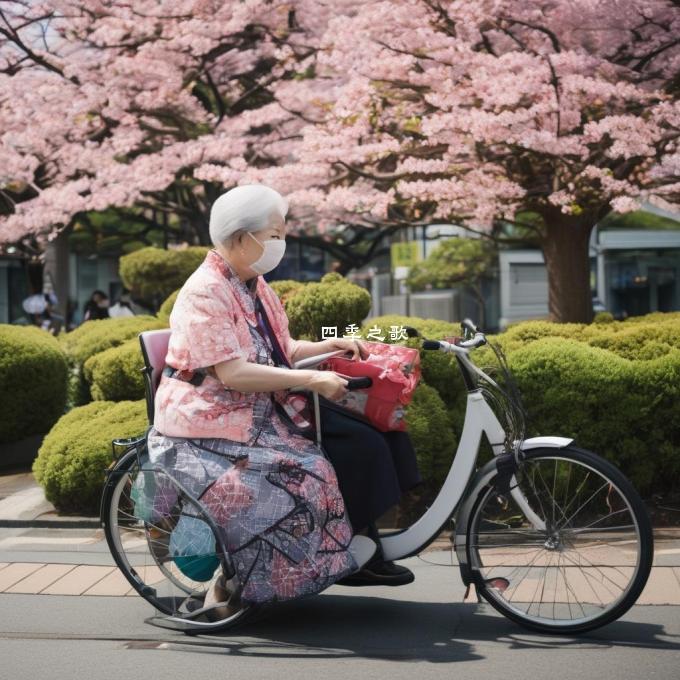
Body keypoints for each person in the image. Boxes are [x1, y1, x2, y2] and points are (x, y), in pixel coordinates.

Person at [148, 184, 419, 617]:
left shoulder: (252, 284)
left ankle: (353, 548)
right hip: (213, 413)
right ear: (241, 238)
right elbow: (232, 373)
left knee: (377, 435)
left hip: (257, 402)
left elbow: (283, 347)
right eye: (274, 233)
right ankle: (262, 574)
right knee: (312, 469)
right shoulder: (205, 292)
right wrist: (311, 379)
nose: (281, 242)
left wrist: (333, 346)